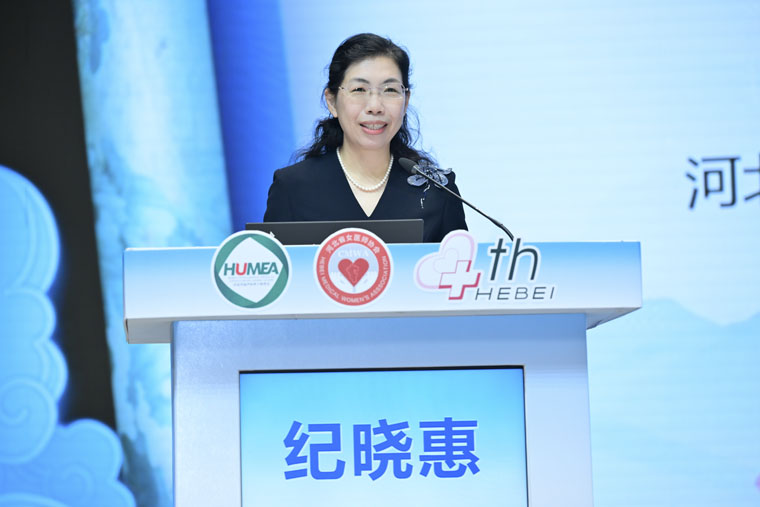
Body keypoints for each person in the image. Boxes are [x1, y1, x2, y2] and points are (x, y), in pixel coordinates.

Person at [263, 33, 467, 243]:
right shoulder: (292, 188)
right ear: (332, 102)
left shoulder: (436, 190)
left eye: (390, 90)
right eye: (359, 89)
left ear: (406, 102)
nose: (375, 107)